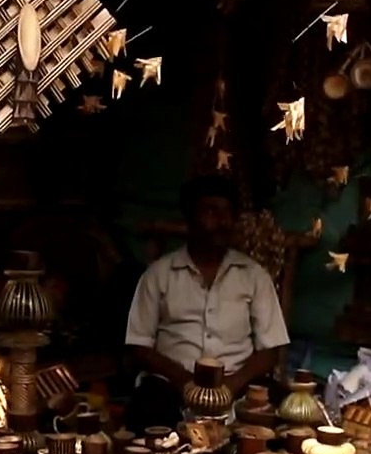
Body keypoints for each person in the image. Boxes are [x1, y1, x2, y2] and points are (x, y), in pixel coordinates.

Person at [123, 175, 290, 432]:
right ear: (190, 219)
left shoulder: (254, 276)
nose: (220, 222)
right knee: (147, 411)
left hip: (237, 386)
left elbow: (270, 351)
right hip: (172, 385)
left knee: (280, 409)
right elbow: (139, 346)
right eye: (210, 211)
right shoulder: (158, 275)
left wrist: (231, 386)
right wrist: (184, 381)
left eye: (226, 213)